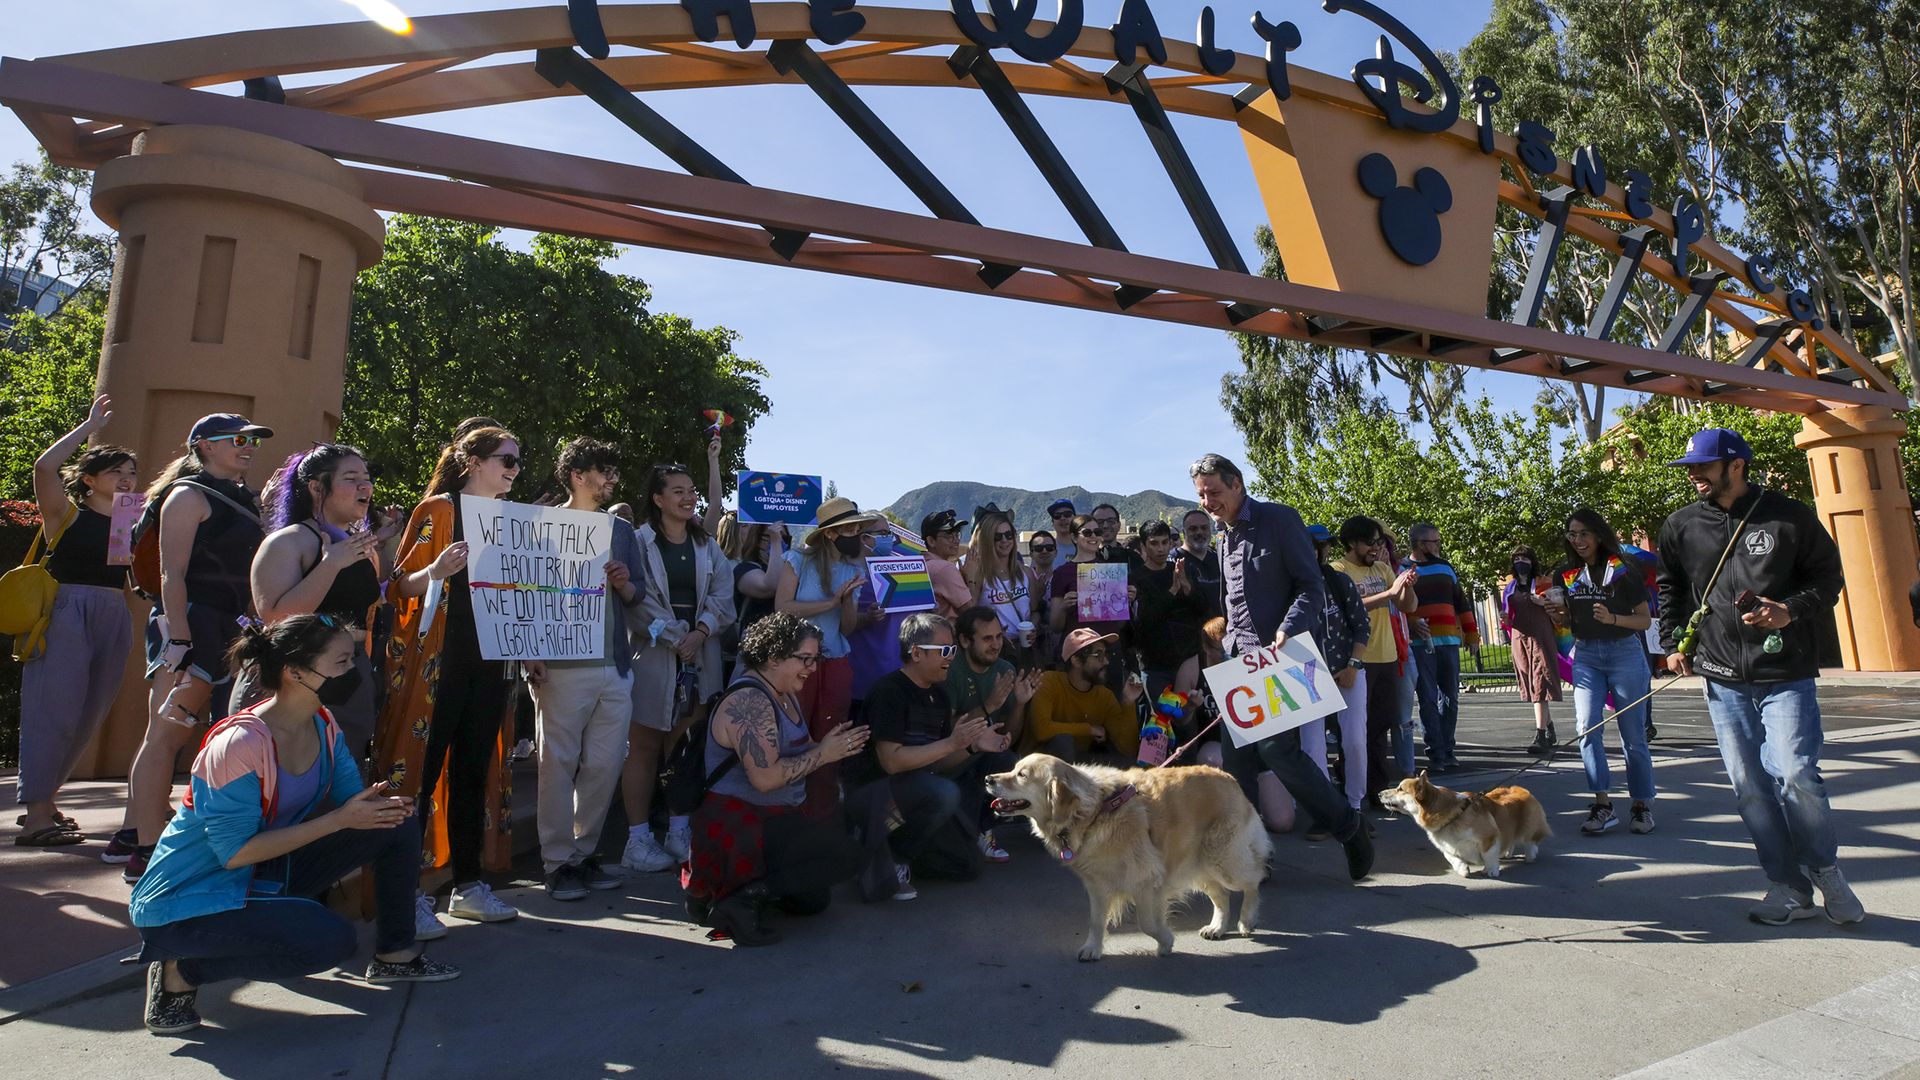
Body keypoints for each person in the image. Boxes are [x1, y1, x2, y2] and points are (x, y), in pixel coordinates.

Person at [130, 616, 457, 1036]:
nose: (353, 671)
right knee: (330, 942)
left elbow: (350, 803)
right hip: (192, 897)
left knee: (392, 824)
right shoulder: (239, 744)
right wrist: (341, 820)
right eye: (341, 661)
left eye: (352, 658)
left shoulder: (322, 723)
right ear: (296, 671)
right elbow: (234, 853)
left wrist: (377, 806)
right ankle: (181, 970)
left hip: (262, 873)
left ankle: (395, 955)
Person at [1657, 427, 1861, 925]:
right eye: (1690, 469)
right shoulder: (1680, 525)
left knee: (1794, 774)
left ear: (1737, 466)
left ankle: (1825, 870)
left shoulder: (1790, 517)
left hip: (1785, 671)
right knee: (1749, 786)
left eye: (1703, 467)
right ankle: (1787, 887)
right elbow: (1670, 588)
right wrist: (1671, 643)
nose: (1695, 477)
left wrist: (1789, 611)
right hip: (1721, 677)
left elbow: (1829, 578)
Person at [1191, 452, 1373, 880]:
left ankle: (1348, 824)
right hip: (1240, 662)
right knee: (1237, 765)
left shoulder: (1279, 519)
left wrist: (1290, 628)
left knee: (1278, 751)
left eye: (1213, 492)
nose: (1207, 502)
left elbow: (1310, 587)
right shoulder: (1224, 537)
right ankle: (1251, 857)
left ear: (1237, 484)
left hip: (1280, 655)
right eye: (1200, 495)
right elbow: (1233, 603)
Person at [374, 424, 524, 927]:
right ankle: (410, 890)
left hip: (492, 659)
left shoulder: (512, 519)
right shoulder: (438, 510)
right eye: (506, 460)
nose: (514, 470)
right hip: (442, 659)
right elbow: (400, 587)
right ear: (473, 462)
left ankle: (468, 883)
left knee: (474, 770)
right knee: (424, 766)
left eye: (517, 461)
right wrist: (436, 571)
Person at [119, 413, 270, 882]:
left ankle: (210, 842)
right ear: (204, 446)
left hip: (230, 627)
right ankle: (143, 849)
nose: (247, 447)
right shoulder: (187, 496)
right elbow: (171, 576)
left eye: (251, 440)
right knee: (164, 737)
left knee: (225, 738)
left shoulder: (244, 498)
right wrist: (180, 641)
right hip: (188, 625)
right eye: (237, 440)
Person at [686, 612, 868, 946]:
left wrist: (835, 746)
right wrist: (824, 754)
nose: (812, 668)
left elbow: (790, 752)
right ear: (774, 657)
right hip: (738, 824)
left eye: (816, 659)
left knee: (814, 900)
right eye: (805, 659)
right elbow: (767, 779)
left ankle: (755, 891)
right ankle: (735, 900)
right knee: (846, 854)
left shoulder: (785, 692)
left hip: (775, 818)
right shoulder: (750, 700)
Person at [16, 396, 136, 848]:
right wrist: (88, 428)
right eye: (116, 472)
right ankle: (36, 815)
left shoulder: (130, 516)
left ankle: (45, 801)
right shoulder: (66, 514)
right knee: (53, 709)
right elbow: (44, 469)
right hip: (66, 609)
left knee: (88, 714)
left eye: (131, 472)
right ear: (88, 481)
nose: (126, 479)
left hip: (113, 612)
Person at [530, 438, 645, 900]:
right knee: (556, 764)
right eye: (604, 471)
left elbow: (637, 596)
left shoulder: (620, 531)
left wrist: (622, 585)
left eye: (613, 471)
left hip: (613, 664)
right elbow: (521, 594)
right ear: (578, 475)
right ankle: (557, 863)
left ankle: (583, 853)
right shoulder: (539, 526)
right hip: (558, 666)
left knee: (603, 764)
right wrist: (528, 650)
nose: (612, 479)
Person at [244, 444, 395, 762]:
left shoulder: (358, 545)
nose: (365, 486)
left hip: (352, 672)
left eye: (366, 478)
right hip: (297, 676)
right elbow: (275, 617)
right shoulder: (288, 541)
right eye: (351, 478)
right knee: (285, 779)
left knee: (341, 776)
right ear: (316, 487)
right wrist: (330, 565)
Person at [621, 462, 737, 872]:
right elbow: (636, 600)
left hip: (699, 655)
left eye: (691, 490)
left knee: (684, 747)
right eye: (677, 491)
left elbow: (724, 594)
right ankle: (636, 839)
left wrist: (700, 633)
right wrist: (675, 637)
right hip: (653, 656)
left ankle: (678, 830)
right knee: (645, 747)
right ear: (657, 499)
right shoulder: (637, 542)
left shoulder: (709, 546)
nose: (689, 498)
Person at [845, 613, 1009, 900]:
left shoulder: (938, 696)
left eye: (953, 650)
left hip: (919, 790)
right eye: (944, 650)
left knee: (967, 865)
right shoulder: (889, 691)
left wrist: (972, 746)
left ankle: (910, 851)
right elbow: (891, 762)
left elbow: (937, 763)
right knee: (943, 793)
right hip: (874, 794)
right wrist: (952, 743)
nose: (951, 657)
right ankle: (894, 858)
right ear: (917, 653)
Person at [1548, 508, 1656, 837]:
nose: (1577, 540)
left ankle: (1641, 806)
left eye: (1583, 533)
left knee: (1633, 736)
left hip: (1624, 651)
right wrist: (1557, 615)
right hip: (1587, 654)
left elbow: (1644, 620)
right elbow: (1569, 620)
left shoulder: (1623, 569)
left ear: (1598, 535)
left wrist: (1614, 619)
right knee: (1586, 727)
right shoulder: (1565, 572)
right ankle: (1602, 804)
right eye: (1572, 534)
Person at [773, 496, 884, 813]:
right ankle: (785, 810)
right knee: (794, 737)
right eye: (850, 528)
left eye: (858, 527)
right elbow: (782, 608)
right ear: (831, 533)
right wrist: (832, 601)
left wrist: (848, 602)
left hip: (835, 662)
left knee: (829, 737)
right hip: (795, 665)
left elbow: (846, 629)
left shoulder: (854, 568)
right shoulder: (798, 560)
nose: (856, 534)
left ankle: (820, 814)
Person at [1330, 517, 1416, 806]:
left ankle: (1377, 790)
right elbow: (1349, 606)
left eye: (1379, 543)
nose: (1375, 549)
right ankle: (1349, 790)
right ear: (1352, 542)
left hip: (1387, 657)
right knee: (1354, 732)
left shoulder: (1382, 568)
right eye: (1370, 542)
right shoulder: (1338, 571)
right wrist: (1390, 593)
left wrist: (1406, 586)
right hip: (1357, 661)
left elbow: (1407, 606)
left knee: (1380, 727)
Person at [945, 607, 1040, 862]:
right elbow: (947, 728)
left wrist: (1020, 704)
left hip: (985, 754)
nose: (996, 644)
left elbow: (1010, 733)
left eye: (998, 637)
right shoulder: (950, 669)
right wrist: (988, 707)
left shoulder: (1005, 669)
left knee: (1008, 762)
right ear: (965, 641)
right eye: (987, 639)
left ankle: (985, 829)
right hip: (949, 757)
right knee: (961, 860)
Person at [1308, 524, 1377, 834]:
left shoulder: (1340, 582)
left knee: (1354, 740)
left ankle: (1354, 807)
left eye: (1322, 546)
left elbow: (1362, 626)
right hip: (1307, 677)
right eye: (1311, 545)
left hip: (1346, 670)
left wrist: (1352, 665)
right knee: (1312, 748)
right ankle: (1325, 811)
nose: (1317, 552)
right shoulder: (1287, 588)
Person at [1405, 522, 1479, 773]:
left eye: (1438, 541)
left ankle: (1448, 748)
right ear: (1419, 543)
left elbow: (1461, 601)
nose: (1438, 546)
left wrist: (1472, 633)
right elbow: (1399, 606)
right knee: (1427, 698)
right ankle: (1435, 752)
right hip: (1419, 643)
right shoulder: (1404, 568)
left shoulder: (1446, 567)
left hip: (1448, 640)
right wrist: (1411, 623)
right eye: (1433, 542)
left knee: (1450, 698)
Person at [1026, 627, 1143, 760]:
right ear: (1076, 660)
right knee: (1063, 742)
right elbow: (1041, 730)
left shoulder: (1105, 696)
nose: (1106, 661)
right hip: (1036, 765)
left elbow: (1128, 750)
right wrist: (1089, 729)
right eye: (1098, 655)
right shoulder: (1049, 681)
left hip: (1078, 767)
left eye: (1105, 654)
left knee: (1129, 765)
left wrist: (1128, 702)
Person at [1131, 519, 1210, 700]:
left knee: (1188, 721)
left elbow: (1203, 610)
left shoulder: (1182, 570)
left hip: (1188, 657)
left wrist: (1187, 587)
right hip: (1156, 664)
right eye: (1154, 543)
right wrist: (1172, 591)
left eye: (1165, 542)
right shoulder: (1135, 578)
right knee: (1161, 722)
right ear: (1143, 545)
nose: (1160, 548)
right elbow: (1144, 623)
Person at [1049, 513, 1132, 684]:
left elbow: (1119, 625)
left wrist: (1125, 603)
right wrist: (1064, 607)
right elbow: (1055, 625)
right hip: (1078, 654)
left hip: (1109, 652)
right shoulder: (1061, 573)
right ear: (1073, 537)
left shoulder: (1112, 572)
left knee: (1110, 705)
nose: (1094, 536)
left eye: (1097, 532)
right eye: (1087, 533)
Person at [1502, 544, 1563, 755]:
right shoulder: (1510, 587)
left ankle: (1541, 734)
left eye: (1525, 558)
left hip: (1540, 636)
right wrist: (1505, 619)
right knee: (1531, 683)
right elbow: (1508, 617)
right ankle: (1550, 727)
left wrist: (1543, 602)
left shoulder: (1543, 582)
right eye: (1517, 558)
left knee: (1540, 683)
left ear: (1532, 561)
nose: (1521, 562)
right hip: (1520, 638)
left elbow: (1558, 610)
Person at [716, 512, 789, 677]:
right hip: (754, 650)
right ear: (756, 540)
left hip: (783, 649)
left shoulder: (789, 571)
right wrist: (776, 542)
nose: (775, 539)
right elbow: (769, 586)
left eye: (783, 537)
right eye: (767, 537)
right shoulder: (744, 569)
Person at [964, 509, 1034, 666]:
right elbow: (969, 612)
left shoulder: (1026, 572)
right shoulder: (979, 574)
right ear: (988, 540)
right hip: (996, 650)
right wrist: (970, 578)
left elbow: (1035, 610)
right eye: (998, 536)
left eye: (1009, 535)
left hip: (1025, 649)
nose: (1005, 540)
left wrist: (1034, 628)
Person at [920, 509, 973, 618]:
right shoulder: (944, 569)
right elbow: (972, 614)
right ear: (931, 541)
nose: (956, 540)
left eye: (957, 534)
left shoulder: (922, 564)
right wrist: (972, 579)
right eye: (949, 535)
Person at [1178, 509, 1223, 615]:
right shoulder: (1173, 561)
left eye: (1204, 528)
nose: (1199, 532)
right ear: (1184, 533)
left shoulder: (1220, 559)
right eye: (1193, 529)